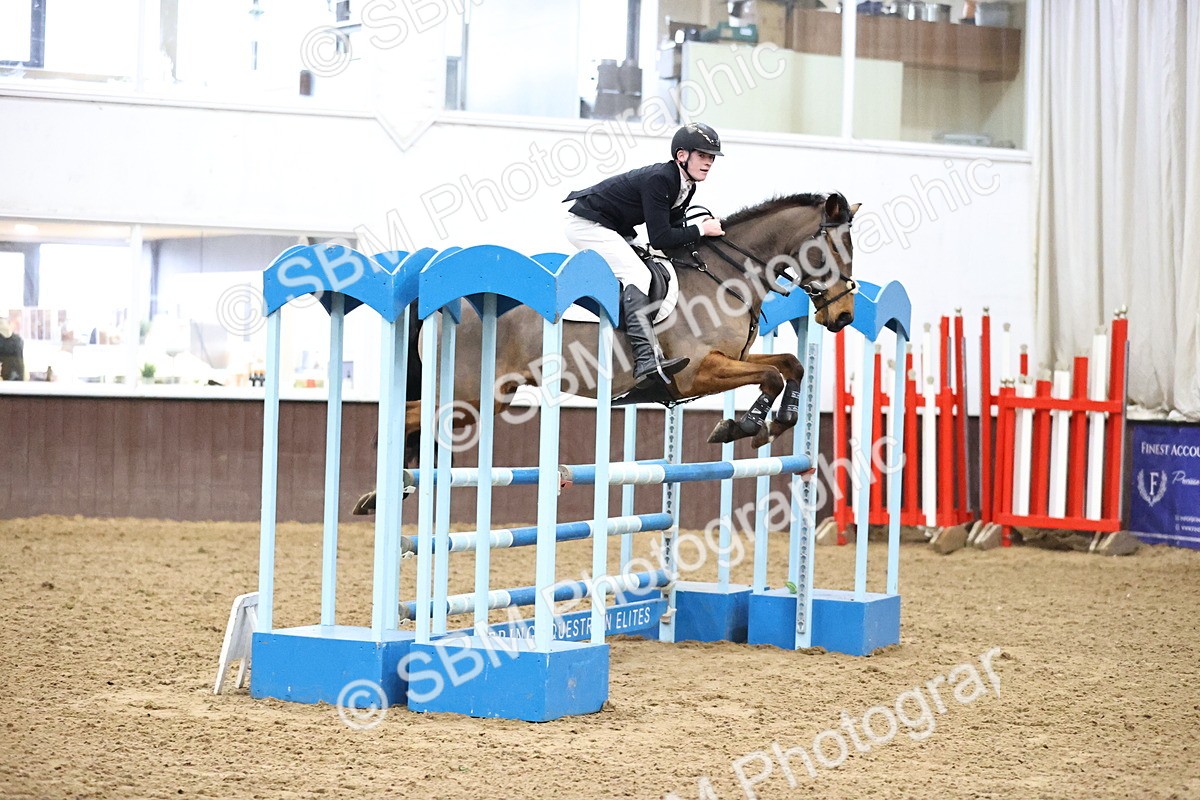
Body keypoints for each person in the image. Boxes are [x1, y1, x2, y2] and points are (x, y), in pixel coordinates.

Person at [563, 122, 726, 389]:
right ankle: (645, 358)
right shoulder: (661, 179)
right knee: (636, 272)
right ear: (681, 155)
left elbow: (670, 237)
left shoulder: (687, 185)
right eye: (702, 155)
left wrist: (702, 229)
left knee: (655, 265)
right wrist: (700, 229)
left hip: (615, 227)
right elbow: (661, 237)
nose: (708, 163)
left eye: (711, 158)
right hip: (587, 224)